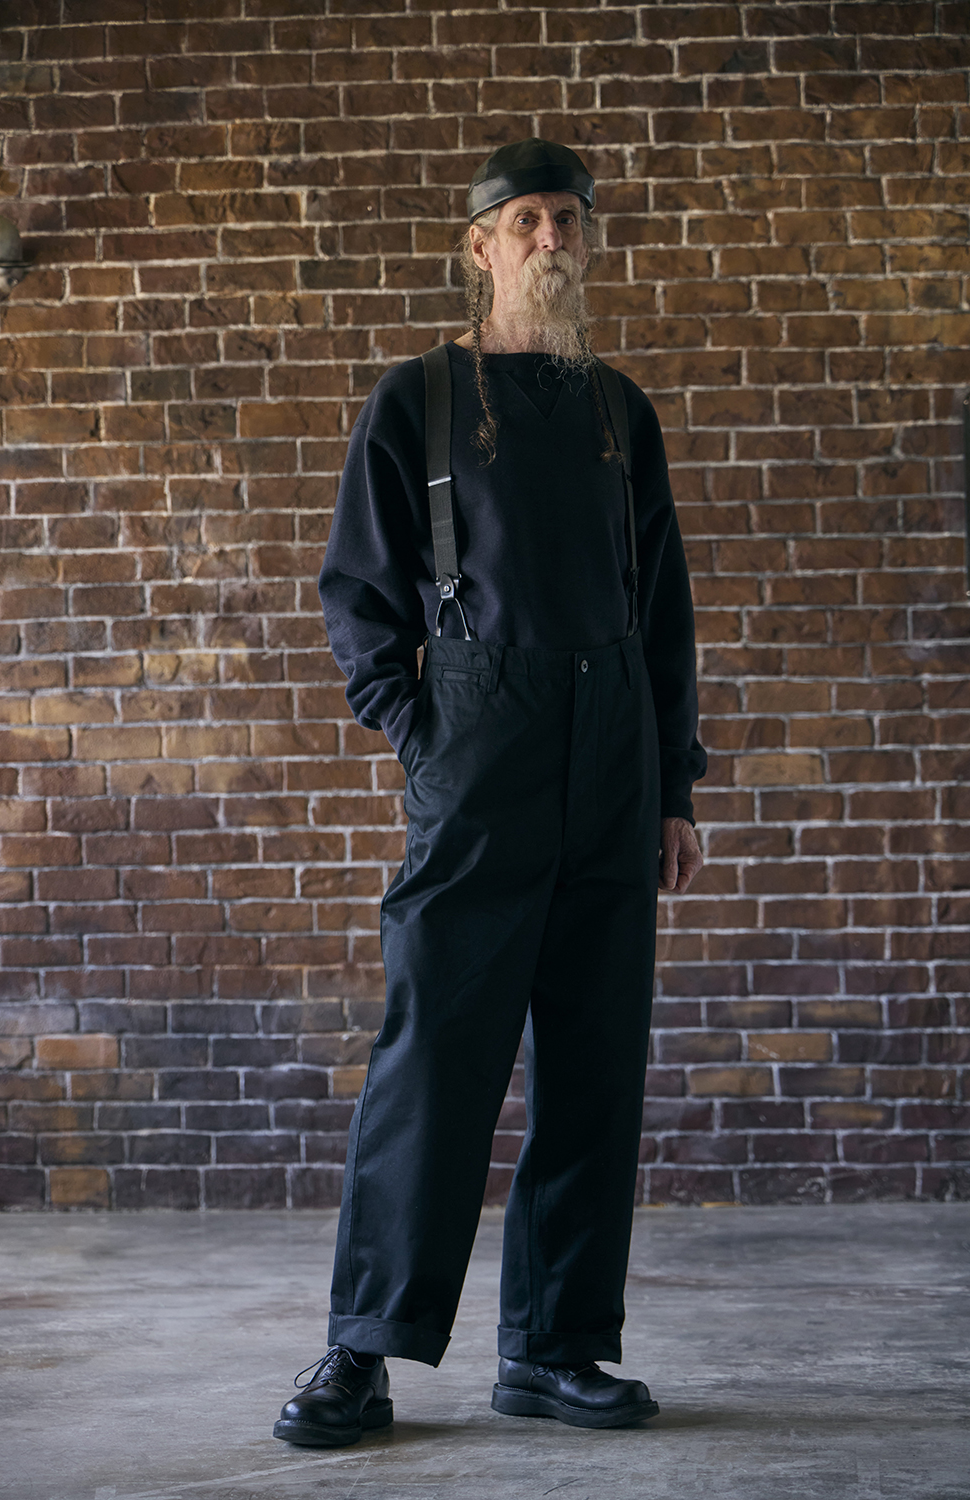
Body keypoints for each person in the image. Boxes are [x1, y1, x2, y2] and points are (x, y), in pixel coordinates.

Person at [273, 138, 707, 1449]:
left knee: (594, 1062)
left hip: (613, 753)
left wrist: (673, 786)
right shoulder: (416, 399)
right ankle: (362, 1351)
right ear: (481, 246)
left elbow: (664, 612)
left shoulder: (621, 412)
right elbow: (359, 597)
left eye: (569, 219)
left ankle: (557, 1348)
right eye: (527, 221)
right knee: (436, 1059)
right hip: (480, 745)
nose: (552, 239)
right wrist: (428, 738)